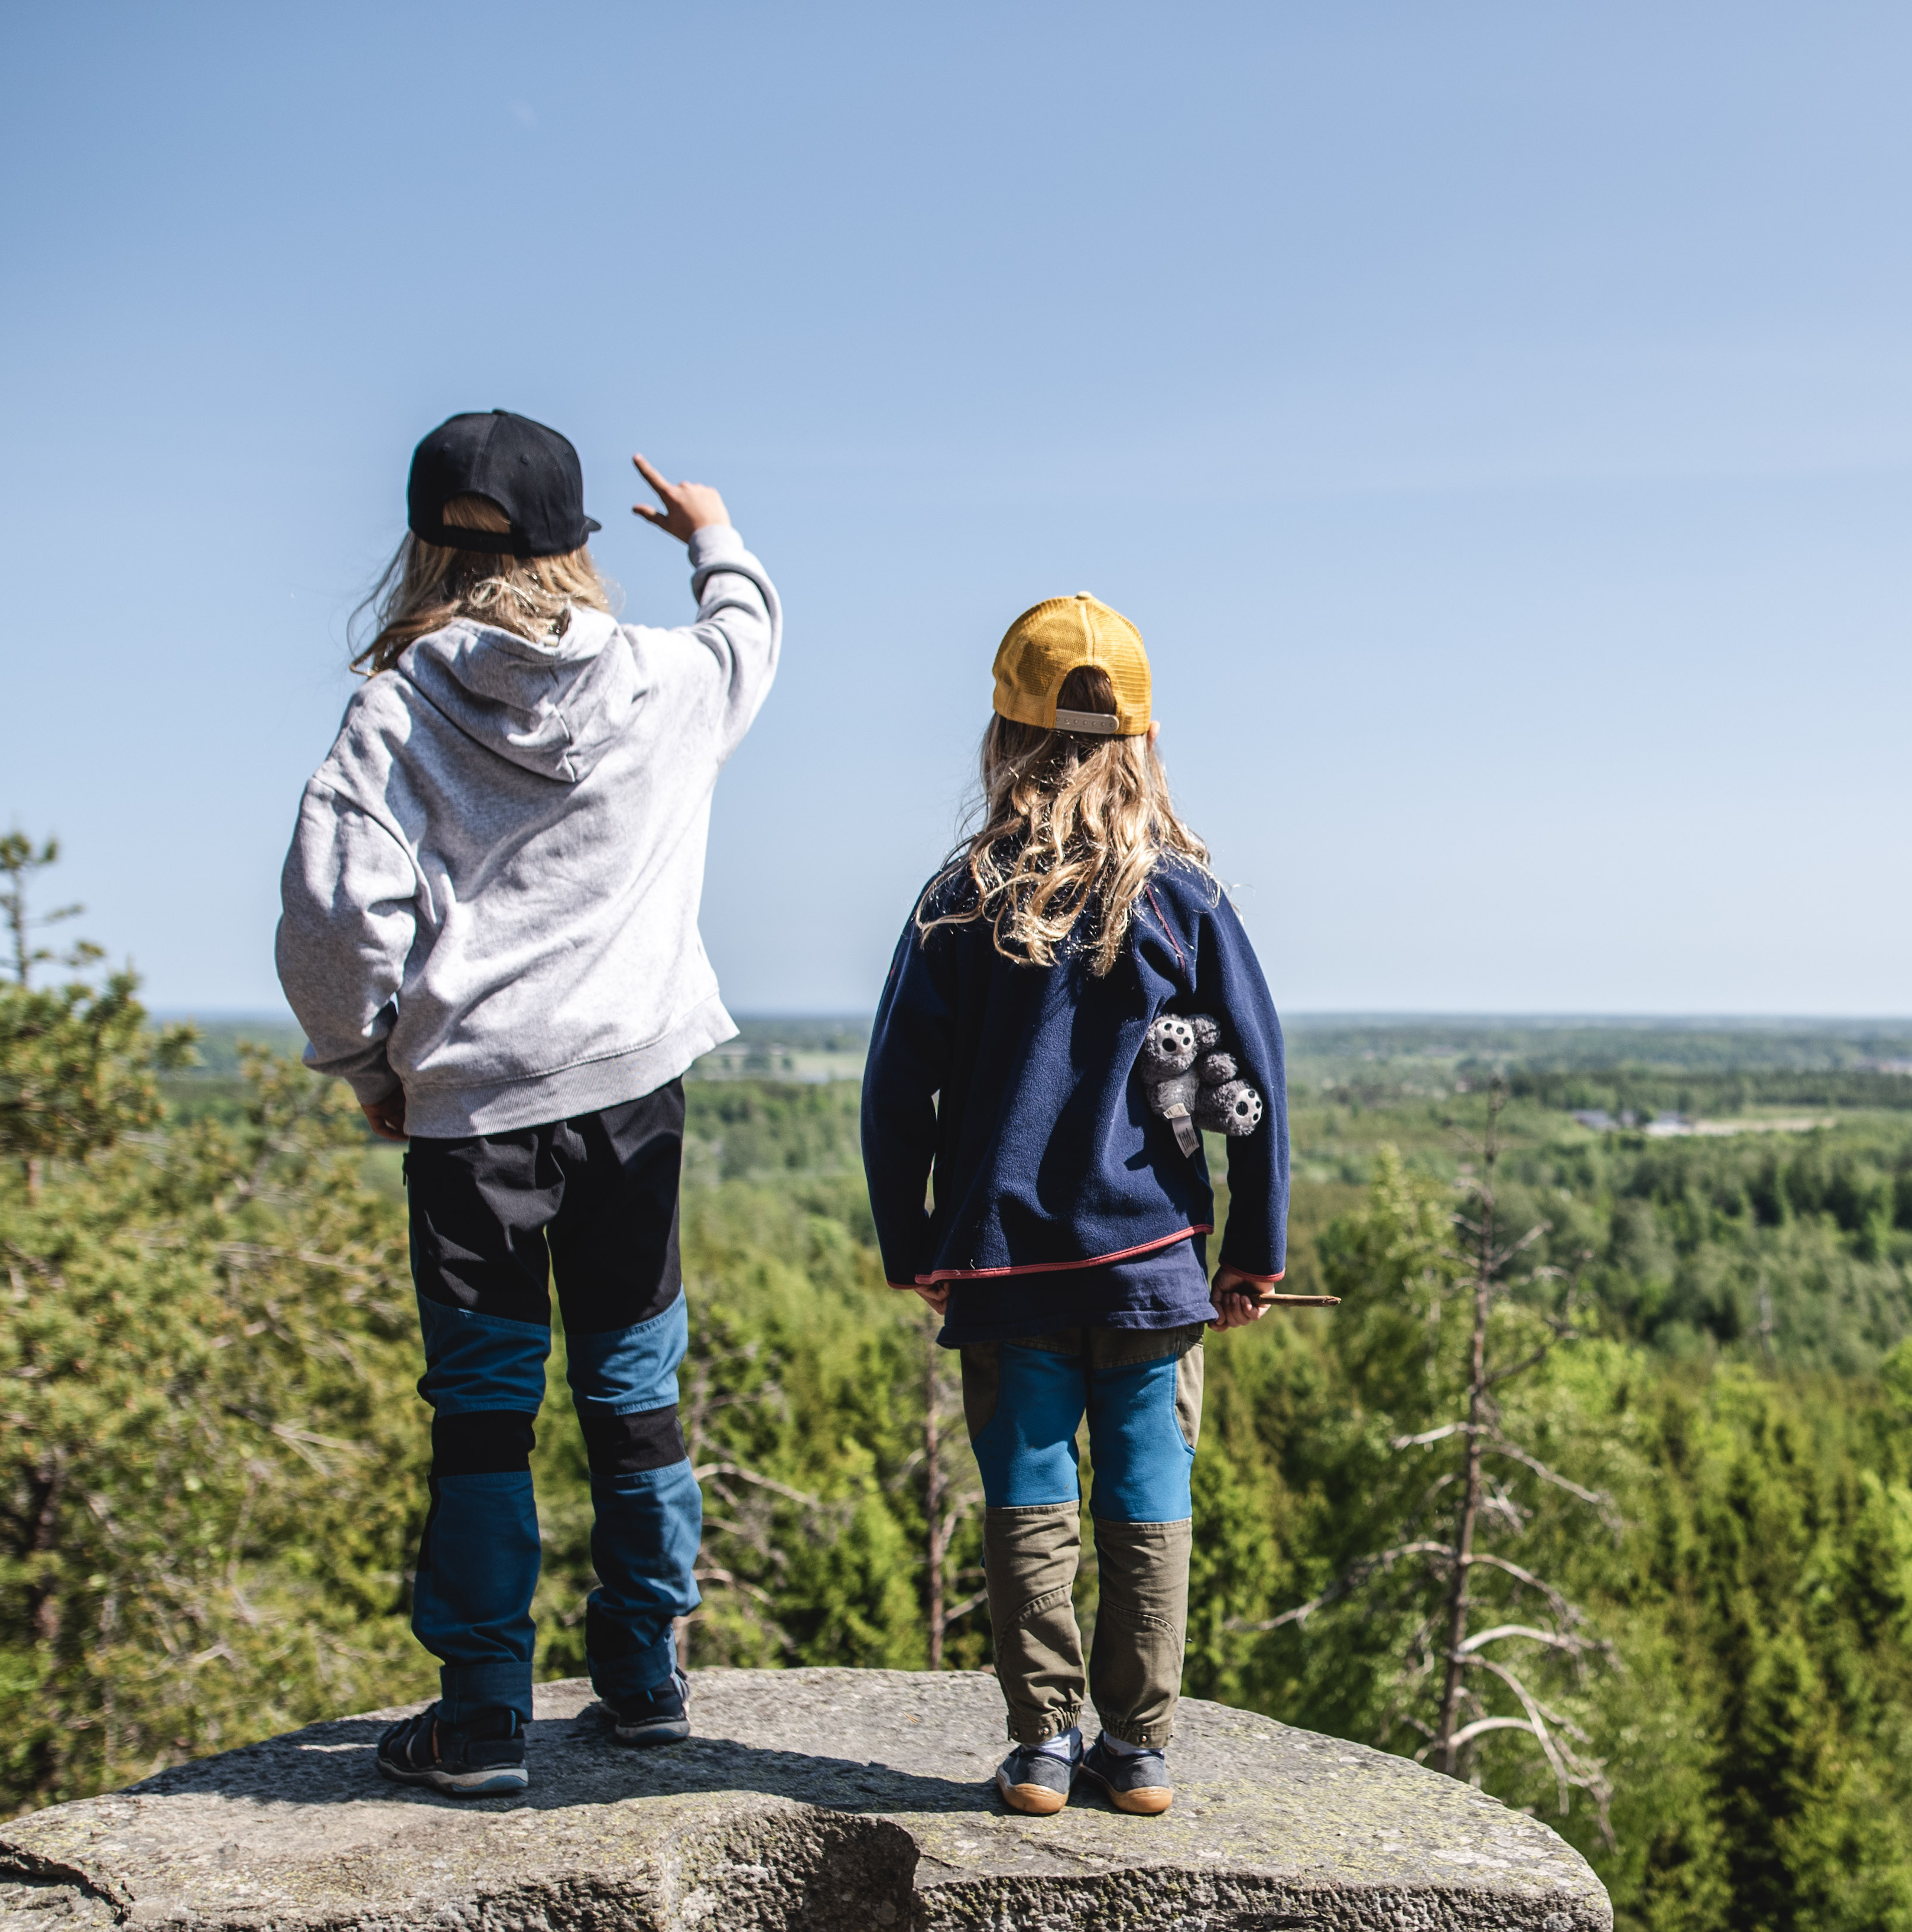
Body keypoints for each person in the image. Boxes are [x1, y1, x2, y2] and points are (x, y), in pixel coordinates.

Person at [277, 408, 783, 1797]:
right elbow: (748, 637)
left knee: (485, 1412)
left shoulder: (397, 704)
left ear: (422, 544)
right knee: (633, 1389)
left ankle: (486, 1719)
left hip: (474, 1117)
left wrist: (371, 1062)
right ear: (575, 542)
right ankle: (644, 1680)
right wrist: (713, 534)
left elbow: (334, 910)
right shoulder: (670, 683)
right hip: (633, 1094)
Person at [861, 593, 1289, 1819]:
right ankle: (1139, 1748)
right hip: (1153, 1263)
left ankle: (1043, 1745)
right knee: (1149, 1490)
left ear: (1004, 738)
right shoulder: (1186, 902)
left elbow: (897, 1092)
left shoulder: (958, 900)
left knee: (1029, 1488)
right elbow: (1254, 1086)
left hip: (1003, 1268)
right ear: (1144, 743)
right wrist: (1250, 1250)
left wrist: (914, 1241)